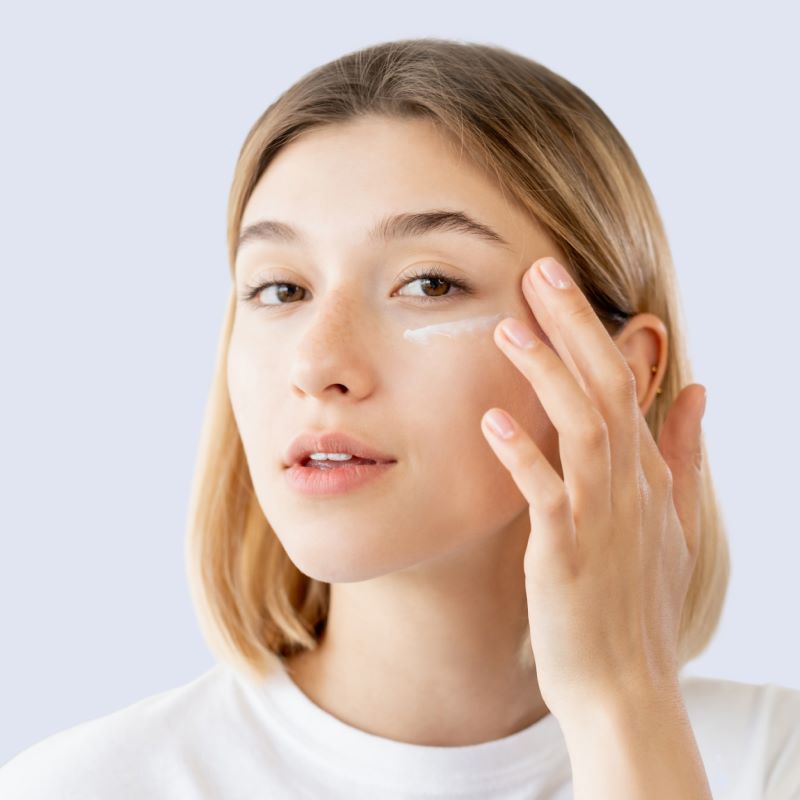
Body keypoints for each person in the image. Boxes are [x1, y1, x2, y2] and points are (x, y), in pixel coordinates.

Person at [2, 37, 799, 799]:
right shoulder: (81, 789)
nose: (318, 366)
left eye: (428, 284)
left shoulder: (771, 763)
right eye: (281, 289)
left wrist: (622, 707)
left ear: (619, 370)